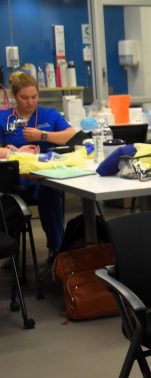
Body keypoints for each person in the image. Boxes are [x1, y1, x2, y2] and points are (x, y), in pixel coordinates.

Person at [0, 71, 75, 257]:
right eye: (24, 97)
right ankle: (11, 249)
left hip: (43, 177)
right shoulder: (4, 118)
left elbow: (71, 135)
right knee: (6, 198)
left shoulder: (48, 115)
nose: (30, 102)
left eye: (34, 96)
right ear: (15, 96)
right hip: (15, 180)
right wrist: (14, 152)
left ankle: (56, 248)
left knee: (49, 192)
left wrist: (43, 135)